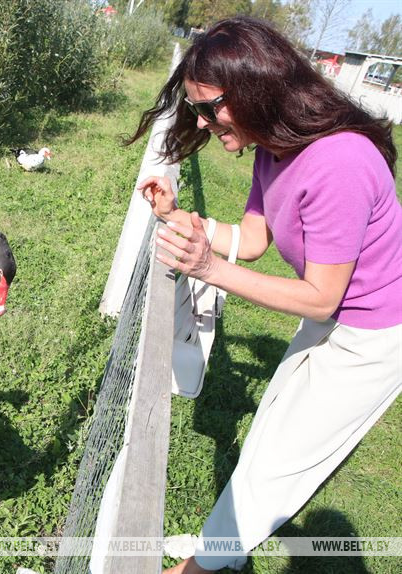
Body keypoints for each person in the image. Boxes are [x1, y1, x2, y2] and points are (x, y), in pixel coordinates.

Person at [124, 16, 402, 573]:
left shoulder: (341, 162)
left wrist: (208, 268)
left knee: (281, 465)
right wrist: (180, 219)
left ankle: (197, 567)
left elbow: (320, 297)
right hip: (333, 319)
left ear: (256, 87)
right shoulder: (272, 148)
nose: (201, 122)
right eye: (195, 110)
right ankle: (219, 547)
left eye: (209, 108)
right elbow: (251, 242)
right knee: (270, 435)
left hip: (374, 337)